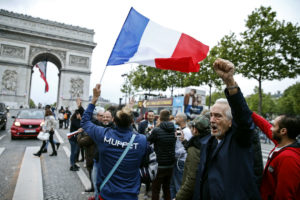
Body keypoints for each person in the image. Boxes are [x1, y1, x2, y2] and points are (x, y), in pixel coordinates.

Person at [192, 58, 261, 200]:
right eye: (210, 115)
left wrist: (230, 82)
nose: (211, 120)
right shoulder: (207, 143)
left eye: (218, 116)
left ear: (231, 122)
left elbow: (243, 118)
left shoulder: (240, 140)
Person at [81, 84, 147, 200]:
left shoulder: (103, 135)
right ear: (132, 121)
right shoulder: (141, 140)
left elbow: (85, 121)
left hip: (107, 194)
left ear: (114, 121)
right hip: (130, 195)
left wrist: (94, 100)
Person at [251, 112, 300, 199]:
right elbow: (264, 125)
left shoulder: (288, 158)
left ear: (283, 131)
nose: (270, 128)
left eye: (273, 126)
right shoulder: (282, 144)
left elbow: (284, 195)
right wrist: (248, 111)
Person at [175, 114, 210, 200]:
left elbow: (191, 180)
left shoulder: (194, 148)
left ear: (195, 130)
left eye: (191, 127)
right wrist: (184, 141)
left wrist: (178, 197)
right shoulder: (209, 142)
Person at [148, 109, 176, 200]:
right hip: (170, 164)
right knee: (167, 188)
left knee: (155, 189)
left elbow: (148, 141)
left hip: (159, 165)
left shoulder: (156, 130)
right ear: (168, 118)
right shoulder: (174, 129)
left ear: (160, 117)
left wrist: (150, 131)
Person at [170, 113, 192, 199]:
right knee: (172, 184)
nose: (175, 118)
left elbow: (184, 147)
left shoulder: (187, 131)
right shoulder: (179, 129)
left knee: (178, 184)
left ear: (182, 119)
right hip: (177, 161)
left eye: (177, 117)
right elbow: (178, 143)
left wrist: (174, 154)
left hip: (181, 162)